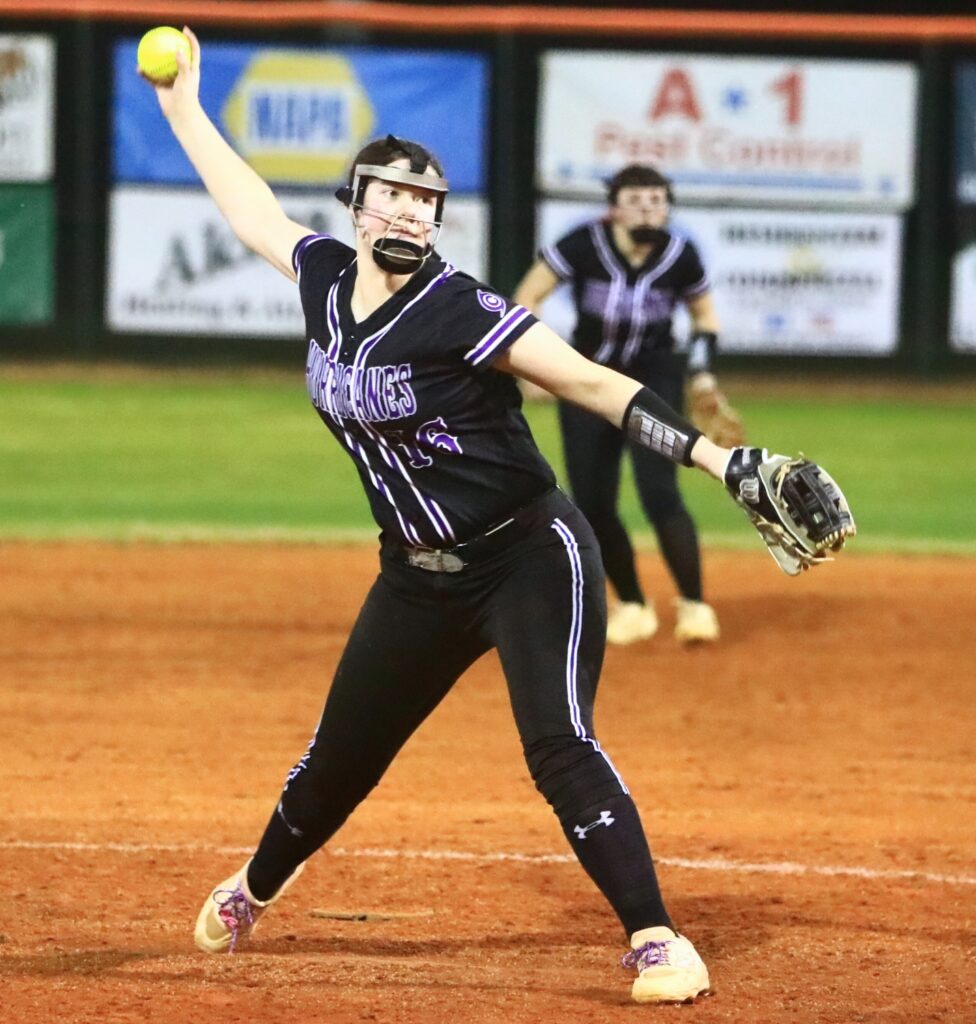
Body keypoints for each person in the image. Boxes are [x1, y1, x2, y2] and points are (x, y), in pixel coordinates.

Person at [143, 29, 766, 1006]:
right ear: (355, 205)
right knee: (338, 755)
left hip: (529, 554)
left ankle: (657, 937)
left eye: (426, 196)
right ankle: (254, 885)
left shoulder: (462, 309)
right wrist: (182, 105)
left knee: (557, 742)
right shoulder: (320, 279)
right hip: (415, 573)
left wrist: (720, 457)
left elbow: (593, 382)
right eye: (390, 190)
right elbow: (248, 206)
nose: (409, 206)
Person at [514, 166, 744, 646]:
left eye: (658, 201)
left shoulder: (680, 255)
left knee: (660, 493)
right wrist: (531, 365)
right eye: (637, 201)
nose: (649, 210)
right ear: (614, 206)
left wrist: (701, 373)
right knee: (594, 501)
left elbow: (705, 315)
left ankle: (695, 606)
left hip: (654, 379)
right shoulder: (583, 245)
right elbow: (528, 296)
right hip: (587, 381)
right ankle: (634, 604)